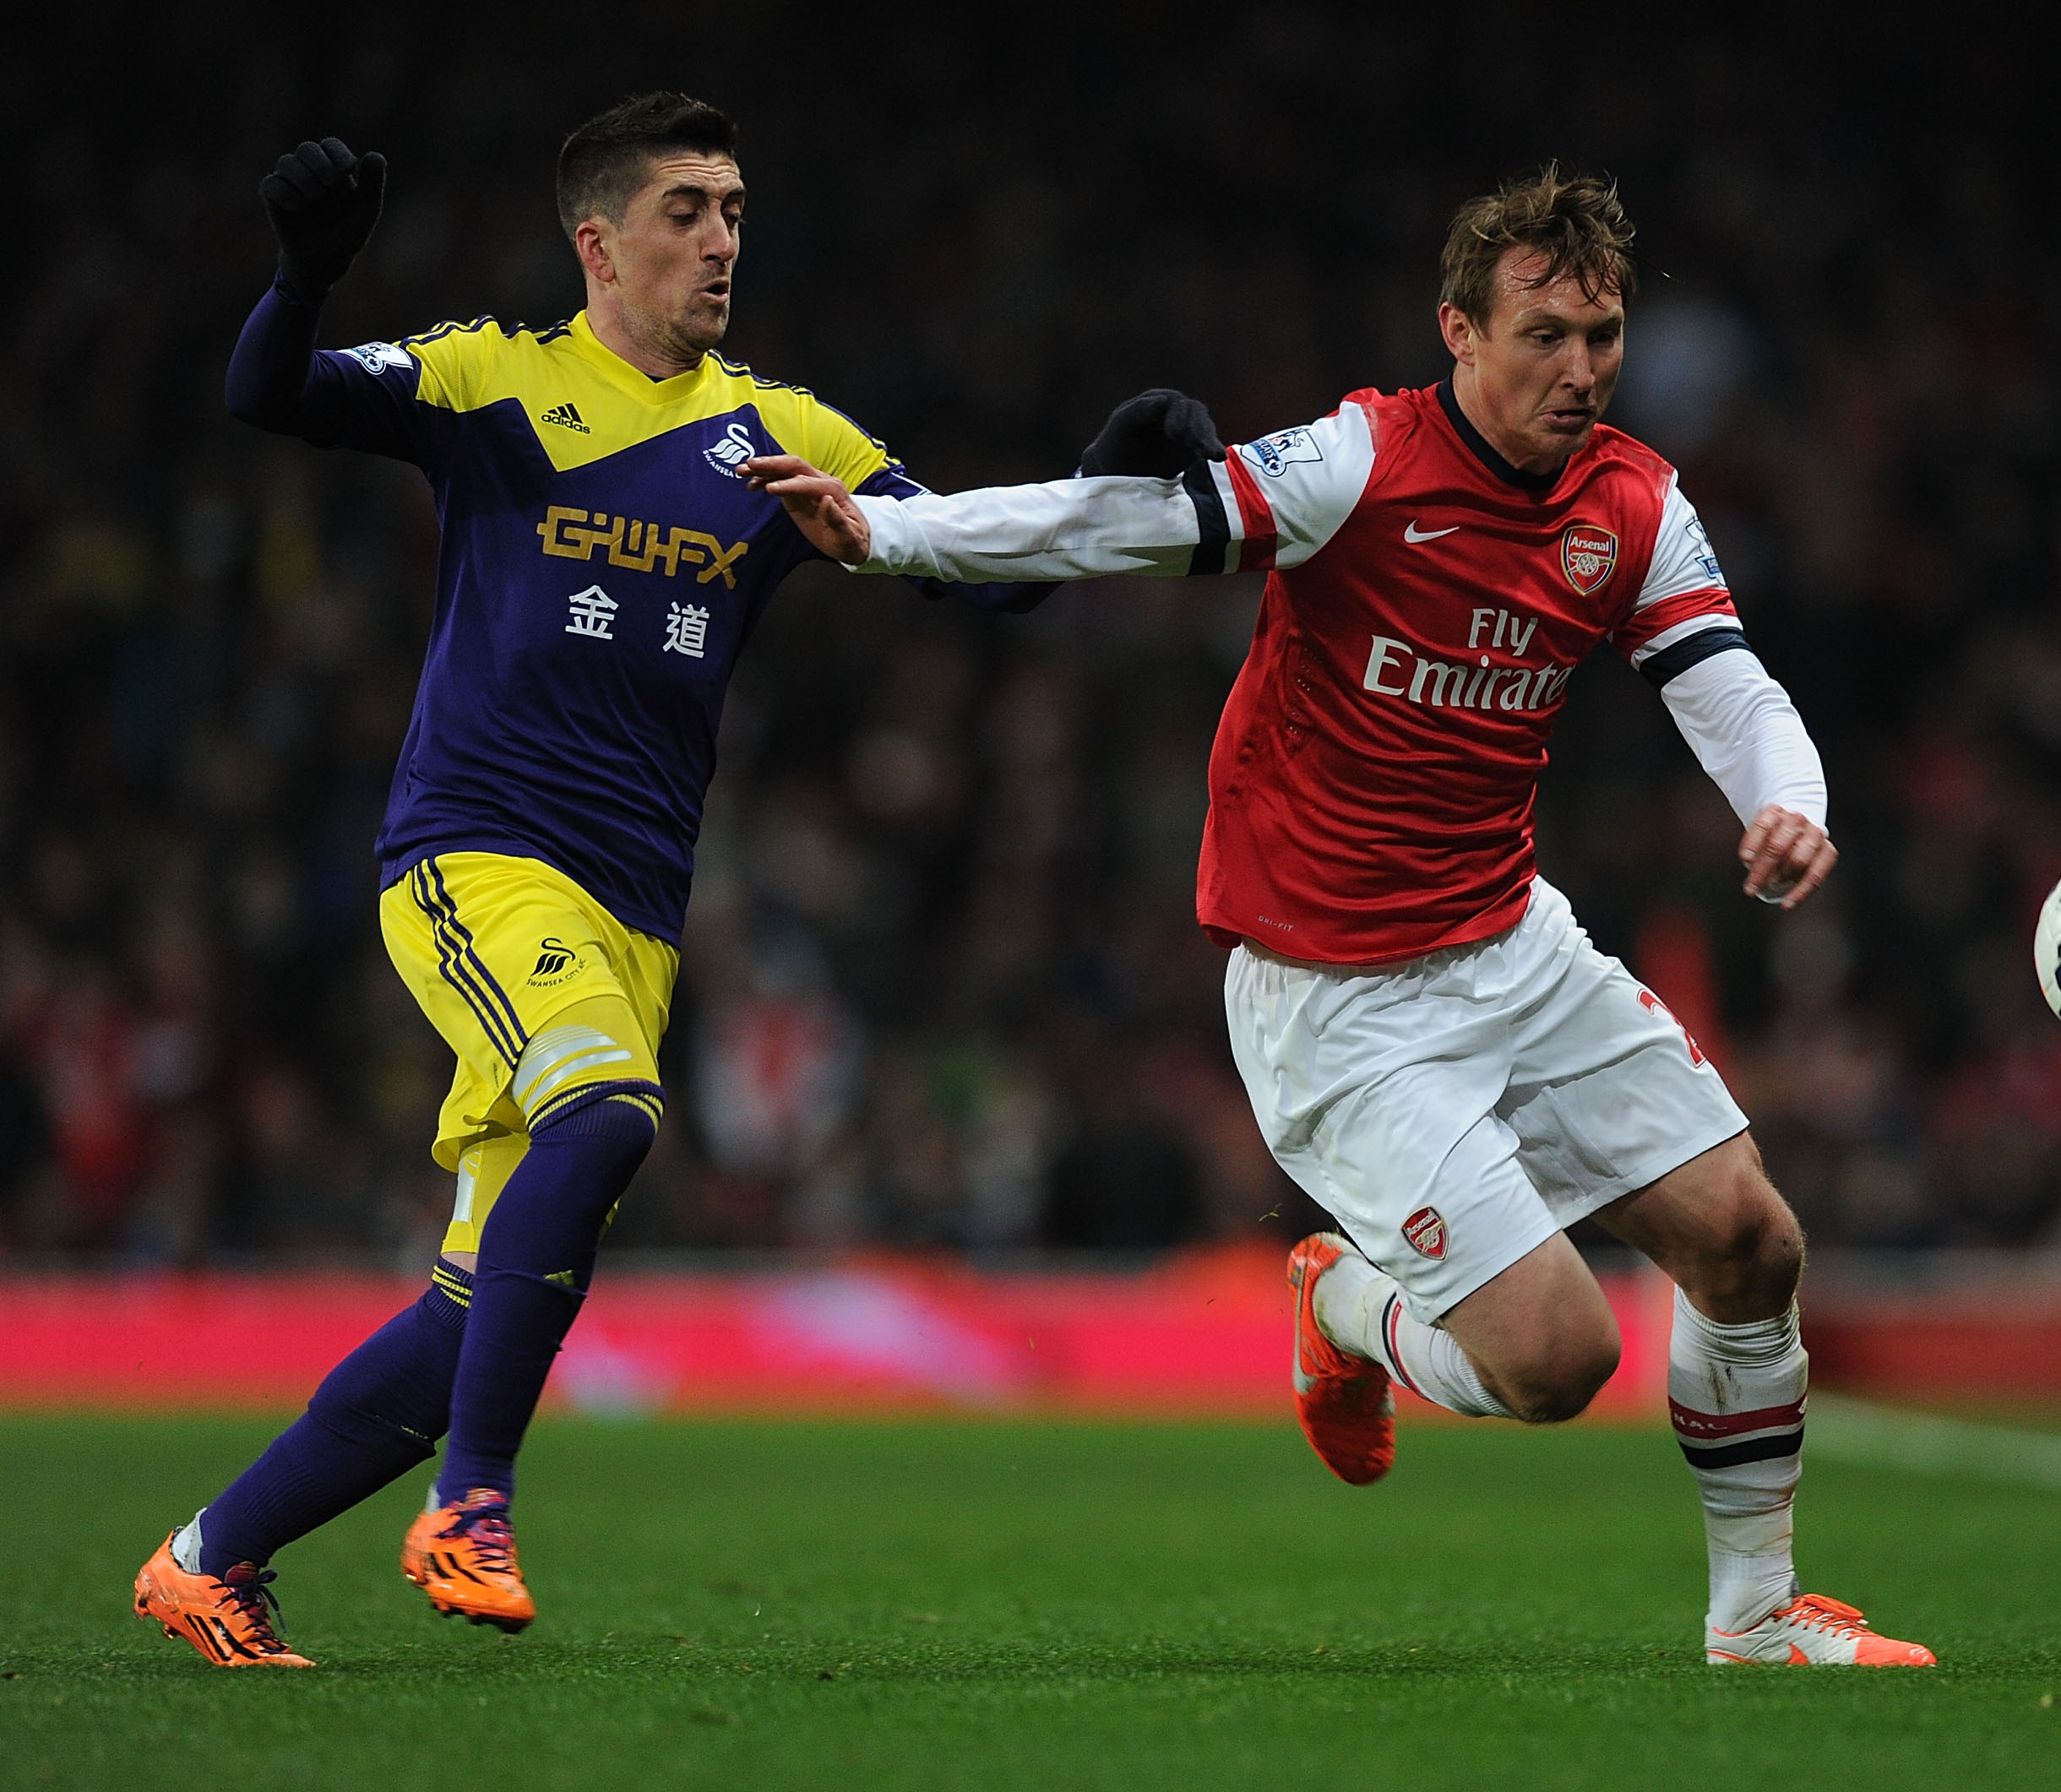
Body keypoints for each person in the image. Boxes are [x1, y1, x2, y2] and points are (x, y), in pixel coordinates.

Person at [752, 166, 1933, 1667]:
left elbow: (1731, 685)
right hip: (1340, 1003)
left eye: (1605, 336)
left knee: (1753, 1243)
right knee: (1563, 1362)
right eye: (1547, 335)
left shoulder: (1631, 499)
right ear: (1459, 327)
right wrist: (893, 537)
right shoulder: (1358, 463)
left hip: (1514, 946)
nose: (1581, 370)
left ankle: (1757, 1616)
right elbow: (1125, 524)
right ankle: (1344, 1307)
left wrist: (1789, 800)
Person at [133, 95, 1213, 1668]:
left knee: (467, 1316)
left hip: (634, 912)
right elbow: (264, 393)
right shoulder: (493, 377)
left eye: (734, 210)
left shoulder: (782, 435)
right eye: (689, 210)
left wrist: (1105, 481)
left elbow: (992, 574)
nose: (722, 239)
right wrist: (302, 276)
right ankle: (472, 1500)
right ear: (599, 241)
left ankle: (209, 1555)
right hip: (476, 855)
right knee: (612, 1109)